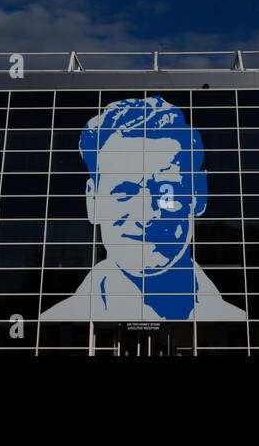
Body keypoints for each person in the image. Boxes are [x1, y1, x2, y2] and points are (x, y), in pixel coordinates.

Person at [41, 96, 245, 321]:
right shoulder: (56, 321)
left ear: (199, 193)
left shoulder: (235, 321)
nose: (146, 215)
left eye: (166, 189)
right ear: (93, 201)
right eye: (125, 192)